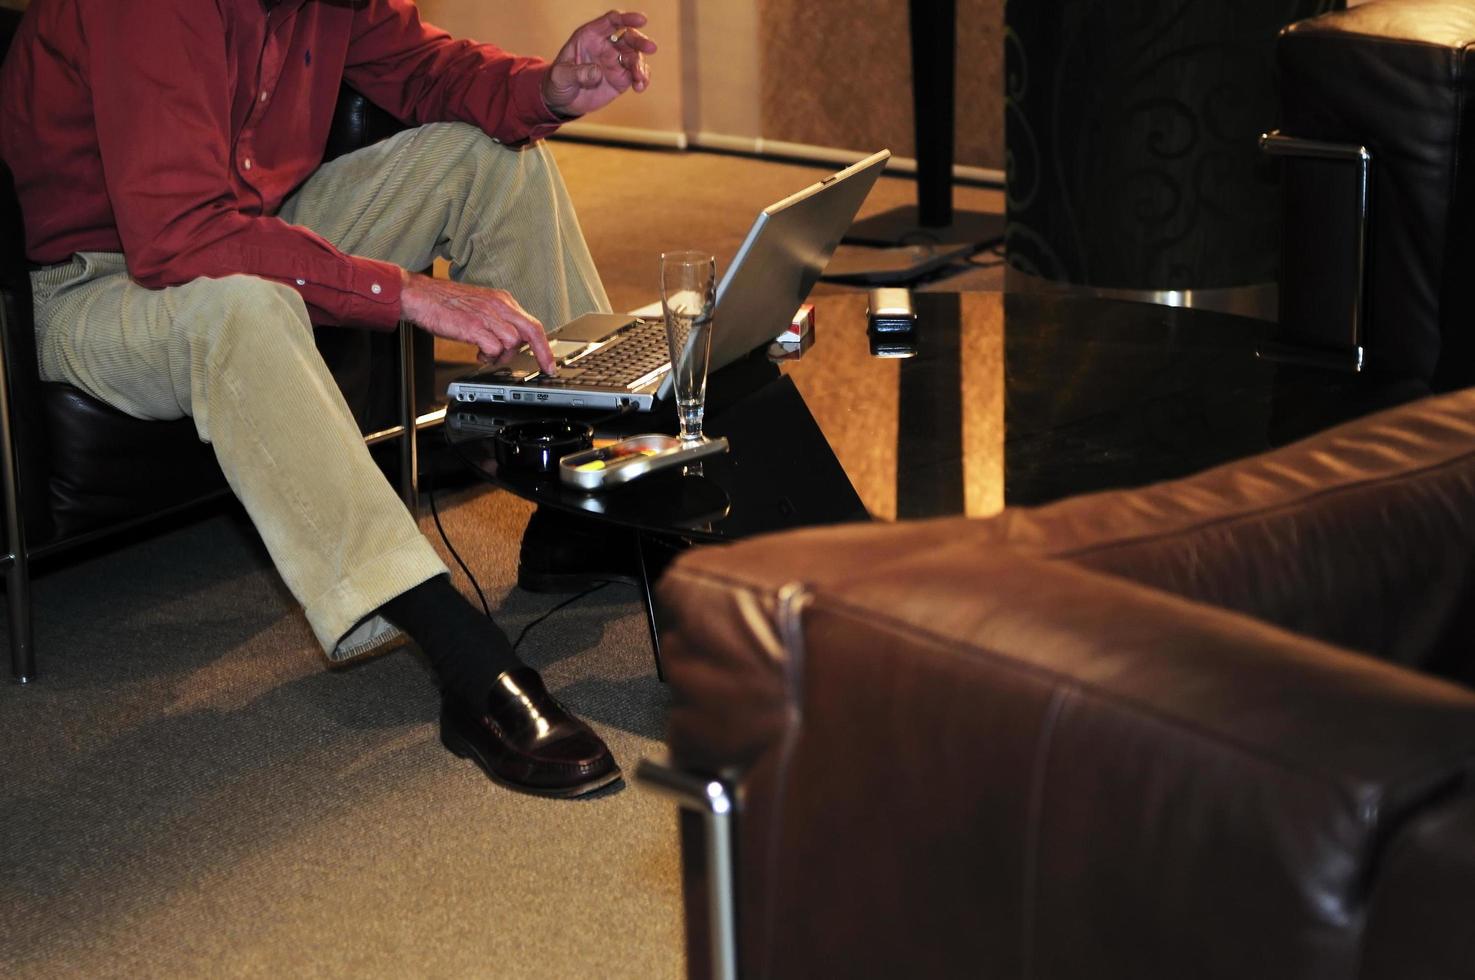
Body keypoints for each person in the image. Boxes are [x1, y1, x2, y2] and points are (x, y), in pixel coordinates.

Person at [0, 0, 658, 799]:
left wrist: (548, 90)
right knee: (241, 305)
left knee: (489, 157)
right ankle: (462, 657)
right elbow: (177, 236)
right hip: (91, 287)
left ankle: (585, 510)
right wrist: (403, 291)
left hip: (244, 230)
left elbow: (425, 69)